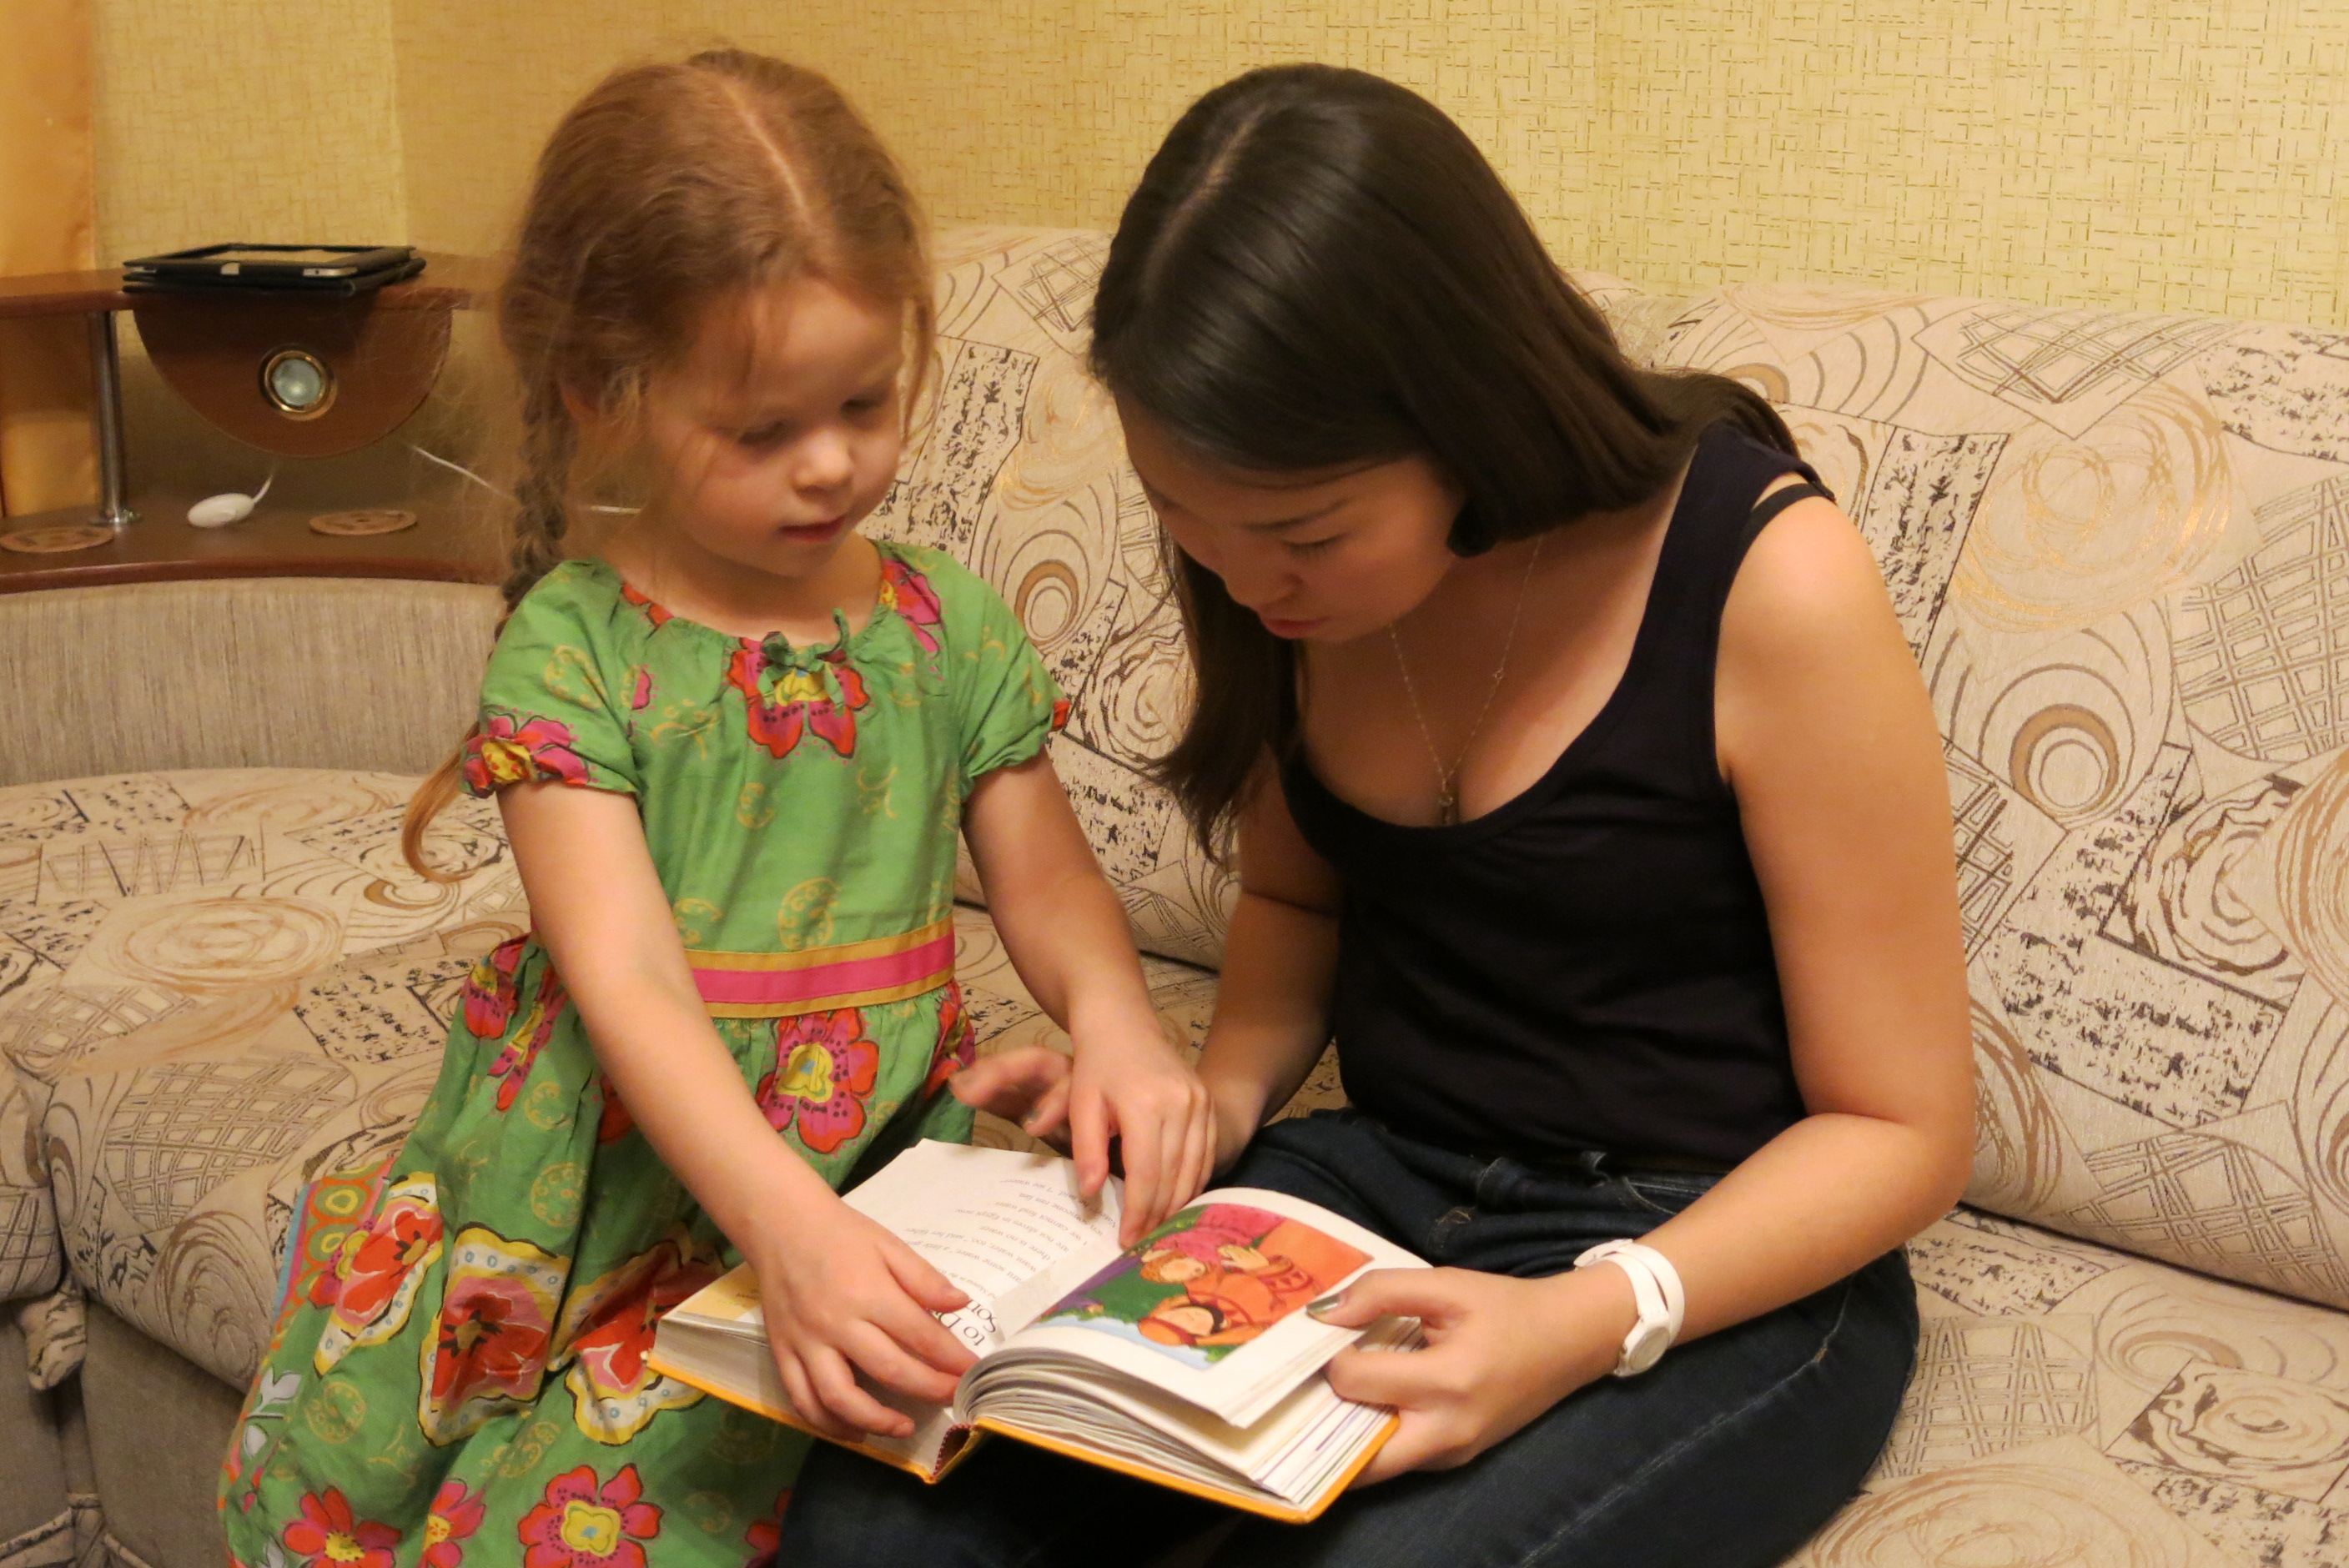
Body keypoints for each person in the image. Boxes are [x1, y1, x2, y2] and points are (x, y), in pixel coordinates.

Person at [779, 63, 1974, 1568]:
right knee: (883, 1517)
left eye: (1304, 533)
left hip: (1716, 1250)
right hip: (1381, 1176)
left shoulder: (1768, 579)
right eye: (1183, 519)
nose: (1243, 584)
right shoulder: (1273, 570)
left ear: (1466, 417)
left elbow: (1904, 1128)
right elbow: (1298, 901)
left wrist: (1580, 1320)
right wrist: (1207, 1111)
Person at [218, 50, 1213, 1565]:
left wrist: (1121, 1024)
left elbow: (1051, 884)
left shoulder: (946, 625)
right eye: (762, 431)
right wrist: (789, 1230)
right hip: (626, 1174)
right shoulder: (576, 648)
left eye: (865, 403)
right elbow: (627, 981)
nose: (833, 465)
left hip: (879, 1153)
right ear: (602, 393)